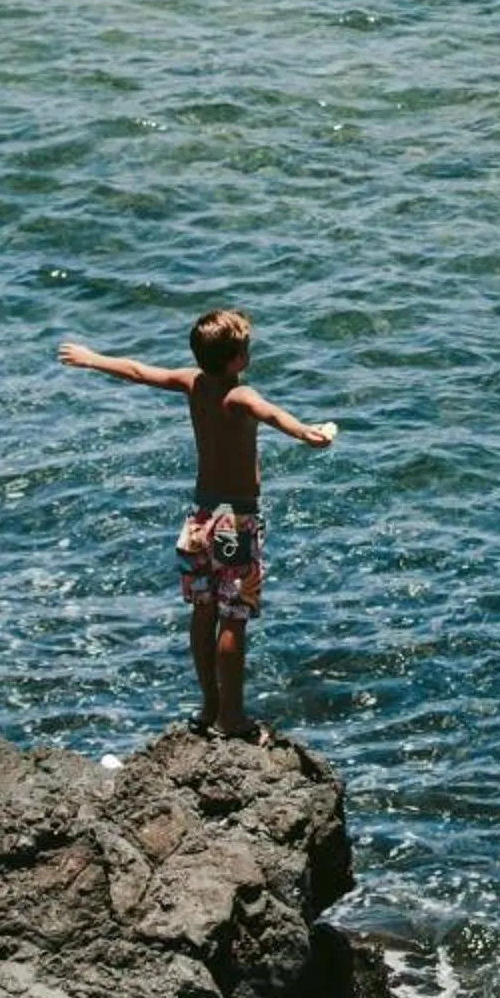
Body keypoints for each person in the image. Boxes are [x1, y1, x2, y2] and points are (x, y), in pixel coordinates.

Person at [59, 310, 337, 740]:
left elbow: (137, 371)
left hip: (199, 520)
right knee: (234, 617)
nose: (249, 351)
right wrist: (307, 433)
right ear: (234, 362)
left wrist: (92, 357)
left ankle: (208, 707)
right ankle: (232, 717)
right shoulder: (238, 396)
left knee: (203, 610)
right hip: (232, 523)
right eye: (246, 347)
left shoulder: (193, 382)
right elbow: (271, 413)